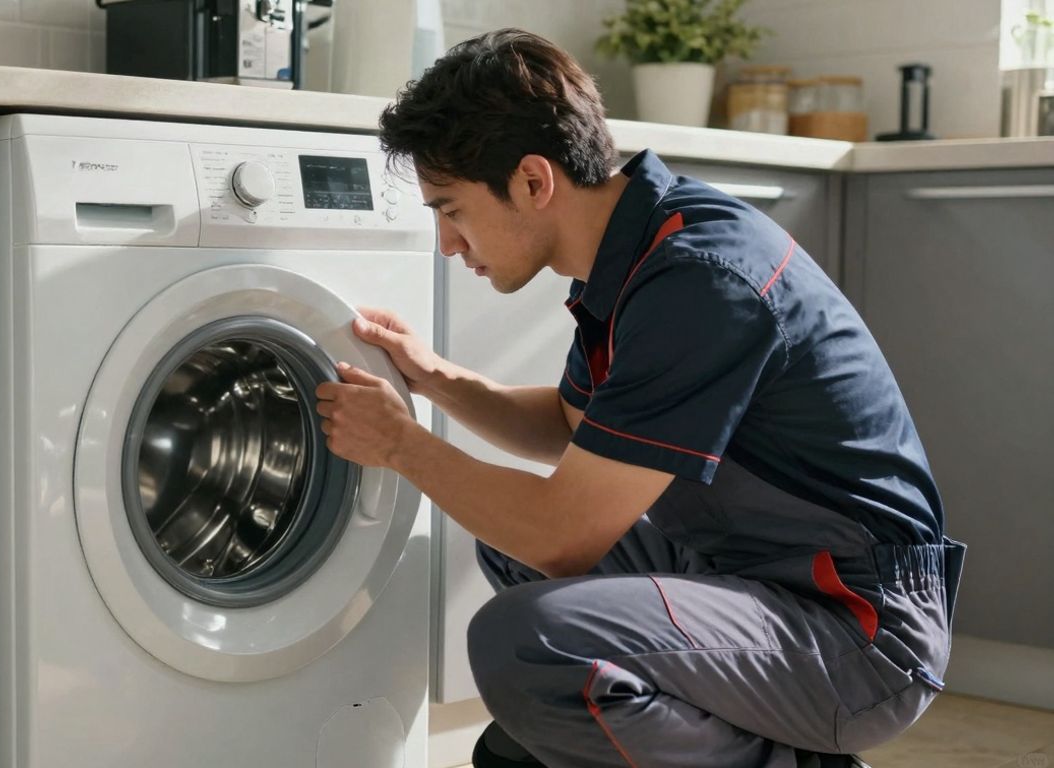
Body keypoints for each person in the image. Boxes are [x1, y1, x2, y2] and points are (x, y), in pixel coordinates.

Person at [312, 28, 967, 768]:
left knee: (525, 637)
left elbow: (565, 534)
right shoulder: (635, 251)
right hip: (756, 573)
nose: (447, 244)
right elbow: (570, 428)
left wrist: (401, 443)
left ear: (533, 181)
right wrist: (434, 376)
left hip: (858, 633)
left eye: (453, 210)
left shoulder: (700, 278)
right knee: (511, 552)